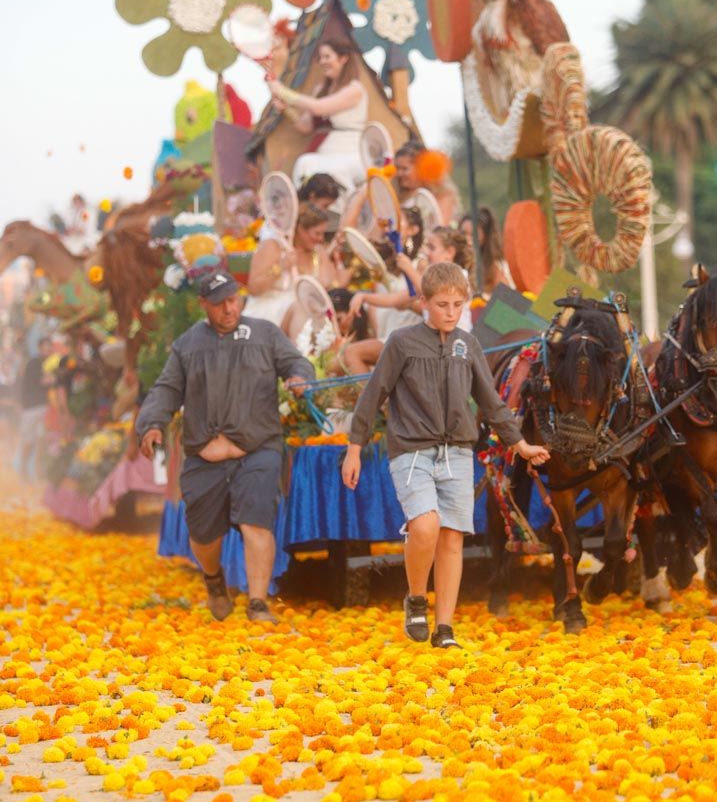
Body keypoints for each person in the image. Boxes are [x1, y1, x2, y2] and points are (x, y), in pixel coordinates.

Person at [341, 261, 548, 648]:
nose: (451, 313)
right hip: (412, 452)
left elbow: (491, 401)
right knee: (425, 526)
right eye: (442, 304)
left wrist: (519, 443)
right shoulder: (401, 343)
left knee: (452, 538)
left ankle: (445, 629)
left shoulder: (467, 345)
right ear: (423, 302)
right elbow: (372, 397)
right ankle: (416, 597)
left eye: (457, 304)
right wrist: (354, 449)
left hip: (457, 451)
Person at [136, 270, 314, 623]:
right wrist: (152, 424)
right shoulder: (188, 345)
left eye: (233, 300)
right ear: (204, 305)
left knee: (256, 524)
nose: (229, 309)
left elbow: (296, 361)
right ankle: (214, 579)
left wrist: (299, 377)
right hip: (205, 457)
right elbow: (166, 390)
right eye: (219, 304)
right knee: (203, 535)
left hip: (258, 450)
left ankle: (258, 602)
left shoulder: (264, 334)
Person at [272, 41, 367, 195]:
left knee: (335, 173)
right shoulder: (320, 90)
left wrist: (282, 91)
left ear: (343, 58)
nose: (322, 62)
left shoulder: (354, 90)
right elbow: (306, 126)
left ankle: (346, 215)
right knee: (304, 164)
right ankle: (311, 214)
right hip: (325, 154)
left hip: (351, 153)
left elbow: (318, 107)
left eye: (327, 57)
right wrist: (286, 109)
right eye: (320, 58)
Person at [245, 205, 347, 331]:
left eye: (323, 234)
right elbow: (254, 288)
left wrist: (339, 263)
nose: (321, 239)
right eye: (317, 233)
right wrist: (280, 267)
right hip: (271, 312)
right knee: (301, 311)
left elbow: (333, 286)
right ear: (300, 229)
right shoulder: (273, 246)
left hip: (309, 312)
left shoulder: (319, 252)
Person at [394, 143, 460, 227]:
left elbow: (441, 228)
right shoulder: (399, 193)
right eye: (397, 168)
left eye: (404, 169)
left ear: (420, 168)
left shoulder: (443, 195)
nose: (399, 173)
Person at [16, 336, 52, 480]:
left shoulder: (46, 362)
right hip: (31, 408)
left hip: (42, 406)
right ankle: (23, 471)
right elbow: (43, 381)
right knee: (29, 442)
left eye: (50, 346)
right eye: (46, 346)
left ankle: (38, 474)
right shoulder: (35, 362)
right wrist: (54, 379)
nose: (48, 349)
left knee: (41, 441)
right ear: (40, 347)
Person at [459, 207, 512, 297]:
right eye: (463, 233)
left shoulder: (496, 266)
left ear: (485, 238)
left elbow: (509, 301)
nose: (467, 240)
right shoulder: (453, 261)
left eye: (474, 235)